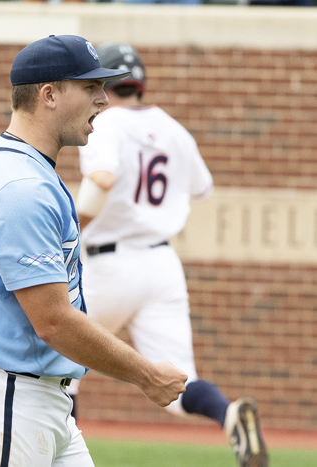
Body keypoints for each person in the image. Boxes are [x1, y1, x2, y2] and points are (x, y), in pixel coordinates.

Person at [0, 35, 188, 467]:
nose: (103, 99)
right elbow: (53, 322)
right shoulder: (23, 187)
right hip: (5, 405)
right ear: (49, 95)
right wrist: (147, 375)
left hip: (19, 402)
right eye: (90, 87)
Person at [69, 43, 268, 467]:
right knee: (179, 382)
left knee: (60, 364)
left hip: (107, 265)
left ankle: (60, 457)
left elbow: (102, 178)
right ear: (140, 84)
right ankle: (227, 412)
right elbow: (201, 188)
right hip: (161, 265)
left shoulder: (107, 122)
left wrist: (68, 230)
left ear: (104, 84)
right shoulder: (173, 129)